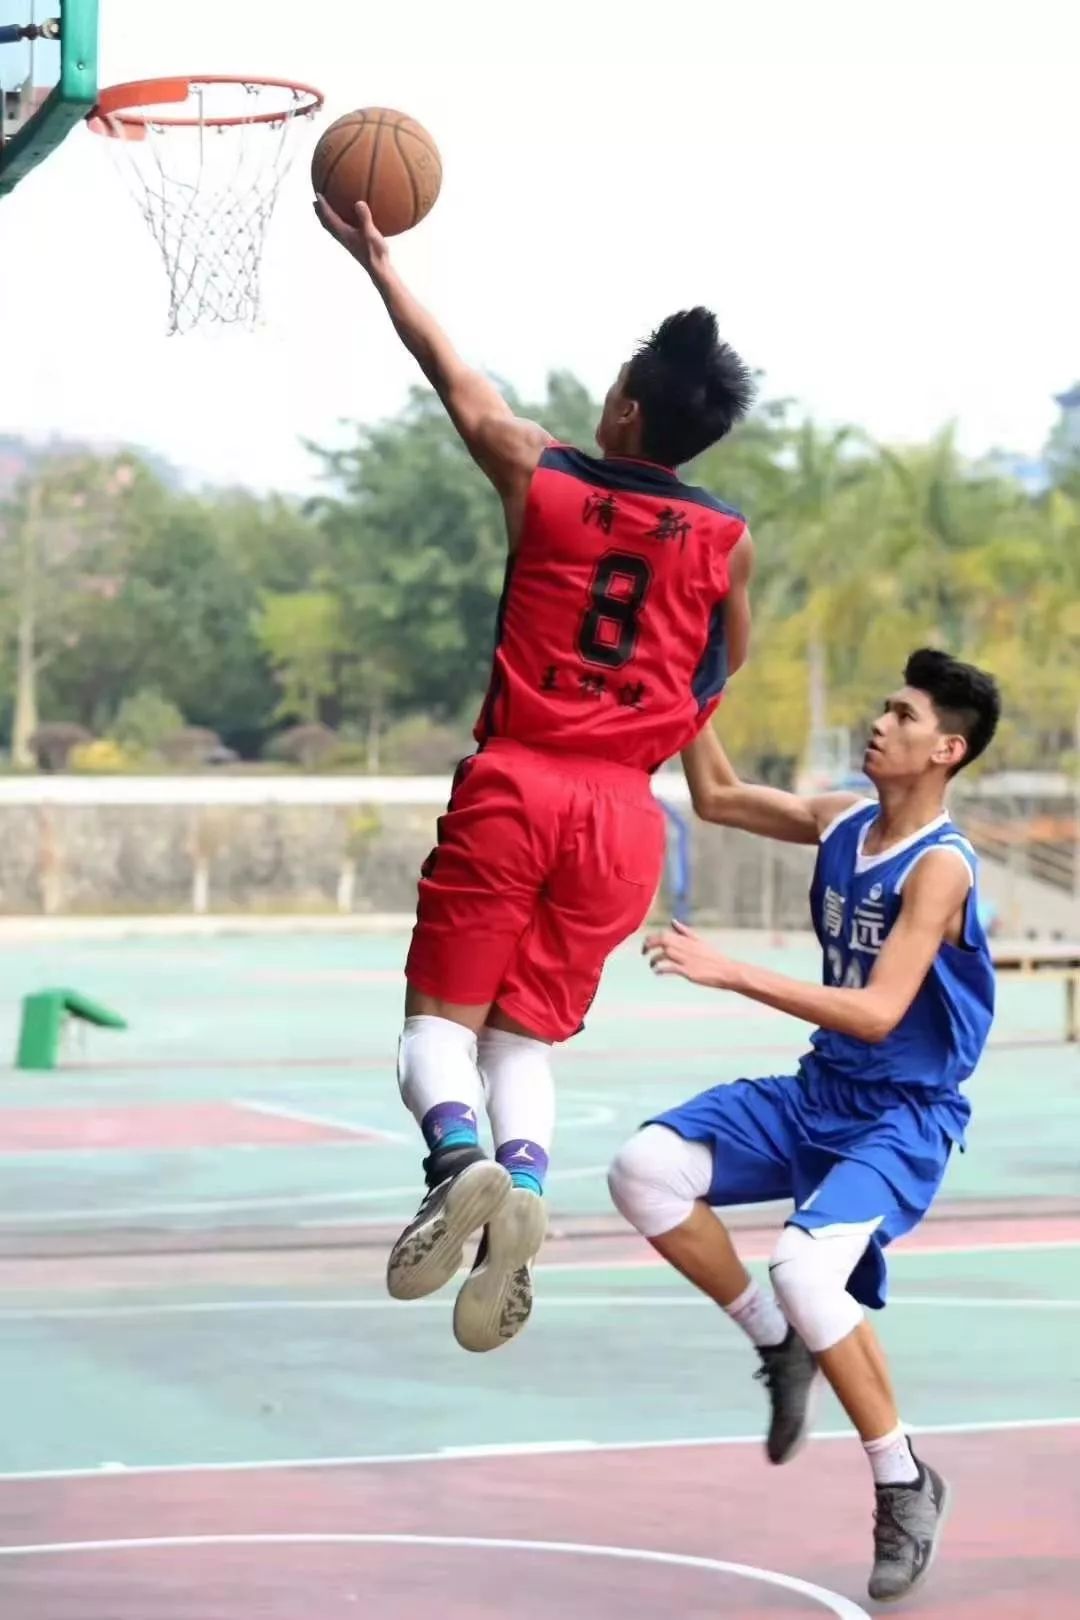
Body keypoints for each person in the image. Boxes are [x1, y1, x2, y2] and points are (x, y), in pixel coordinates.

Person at [315, 195, 756, 1352]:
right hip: (624, 816)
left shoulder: (541, 474)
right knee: (524, 1043)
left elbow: (454, 376)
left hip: (519, 781)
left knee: (436, 1034)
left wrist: (378, 263)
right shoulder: (726, 539)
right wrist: (676, 709)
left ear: (623, 403)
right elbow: (731, 653)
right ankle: (521, 1181)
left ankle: (457, 1161)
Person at [608, 648, 1000, 1604]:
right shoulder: (841, 819)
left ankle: (904, 1481)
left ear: (945, 749)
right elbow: (719, 795)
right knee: (642, 1169)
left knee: (805, 1264)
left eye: (903, 716)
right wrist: (685, 679)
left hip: (899, 1117)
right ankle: (778, 1339)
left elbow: (876, 1012)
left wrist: (732, 970)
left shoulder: (939, 869)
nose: (881, 723)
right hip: (820, 1091)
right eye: (883, 705)